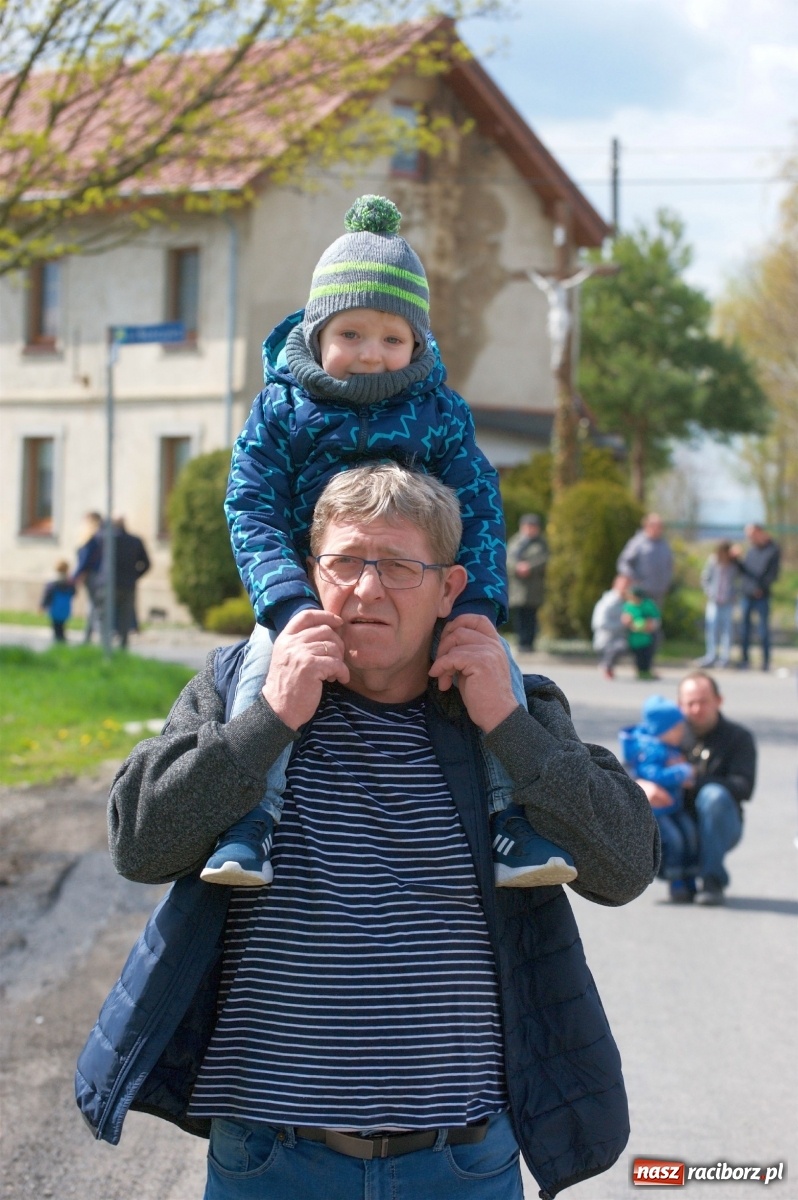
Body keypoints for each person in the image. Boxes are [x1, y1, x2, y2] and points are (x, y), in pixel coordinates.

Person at [76, 464, 660, 1200]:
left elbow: (627, 864)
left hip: (461, 1163)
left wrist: (512, 730)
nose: (366, 589)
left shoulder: (506, 709)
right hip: (270, 1159)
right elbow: (139, 842)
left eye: (399, 567)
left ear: (450, 588)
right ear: (310, 572)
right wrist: (268, 723)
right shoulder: (242, 692)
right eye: (345, 562)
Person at [209, 194, 573, 892]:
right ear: (318, 335)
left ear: (417, 345)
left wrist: (476, 607)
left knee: (493, 667)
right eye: (350, 334)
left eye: (391, 338)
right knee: (264, 670)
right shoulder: (283, 408)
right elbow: (250, 504)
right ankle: (251, 819)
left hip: (416, 594)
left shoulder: (439, 413)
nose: (370, 355)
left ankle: (512, 820)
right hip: (310, 592)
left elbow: (480, 509)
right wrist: (284, 603)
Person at [635, 671, 756, 906]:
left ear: (718, 701)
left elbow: (745, 787)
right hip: (672, 819)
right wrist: (642, 784)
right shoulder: (668, 733)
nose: (697, 709)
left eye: (703, 702)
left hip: (720, 823)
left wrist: (694, 780)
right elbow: (632, 765)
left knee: (713, 796)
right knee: (639, 795)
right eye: (690, 703)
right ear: (680, 705)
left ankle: (712, 881)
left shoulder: (738, 737)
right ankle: (674, 875)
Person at [619, 695, 697, 904]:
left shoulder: (670, 746)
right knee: (674, 840)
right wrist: (681, 772)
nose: (682, 733)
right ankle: (675, 879)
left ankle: (690, 875)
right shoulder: (651, 749)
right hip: (659, 811)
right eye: (678, 729)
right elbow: (653, 775)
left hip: (673, 806)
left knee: (689, 833)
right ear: (665, 730)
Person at [731, 523, 781, 671]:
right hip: (746, 595)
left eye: (751, 534)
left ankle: (765, 662)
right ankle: (745, 660)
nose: (748, 537)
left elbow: (773, 575)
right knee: (744, 629)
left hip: (762, 596)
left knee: (763, 630)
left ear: (759, 532)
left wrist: (761, 588)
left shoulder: (772, 550)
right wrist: (736, 559)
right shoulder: (751, 550)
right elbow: (745, 572)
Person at [505, 514, 548, 653]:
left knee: (531, 615)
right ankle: (521, 642)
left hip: (533, 587)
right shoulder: (516, 542)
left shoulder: (541, 543)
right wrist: (517, 566)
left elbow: (543, 559)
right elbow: (507, 558)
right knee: (519, 616)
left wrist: (529, 566)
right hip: (518, 587)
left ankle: (529, 643)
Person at [616, 513, 674, 610]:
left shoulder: (664, 544)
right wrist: (633, 579)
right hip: (640, 593)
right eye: (657, 526)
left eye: (661, 526)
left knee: (654, 621)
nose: (660, 529)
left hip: (658, 594)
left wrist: (667, 582)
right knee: (639, 621)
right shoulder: (638, 543)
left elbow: (669, 565)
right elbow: (623, 562)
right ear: (648, 526)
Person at [111, 517, 151, 648]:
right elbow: (146, 564)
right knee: (125, 615)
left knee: (110, 613)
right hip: (129, 583)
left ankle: (108, 645)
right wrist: (135, 575)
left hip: (112, 583)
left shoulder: (109, 541)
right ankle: (123, 644)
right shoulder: (135, 541)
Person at [698, 540, 737, 668]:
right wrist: (709, 592)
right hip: (714, 600)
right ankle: (711, 656)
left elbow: (740, 580)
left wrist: (734, 595)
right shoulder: (713, 561)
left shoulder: (734, 564)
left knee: (727, 630)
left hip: (728, 601)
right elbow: (705, 578)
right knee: (712, 629)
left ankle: (725, 658)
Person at [72, 511, 104, 644]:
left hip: (91, 575)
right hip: (98, 575)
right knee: (94, 606)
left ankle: (96, 638)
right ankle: (88, 637)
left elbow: (85, 560)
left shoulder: (91, 538)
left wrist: (74, 576)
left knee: (94, 606)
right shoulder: (102, 537)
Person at [591, 574, 631, 679]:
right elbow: (599, 622)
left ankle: (644, 669)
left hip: (622, 636)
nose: (627, 588)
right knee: (620, 646)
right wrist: (622, 624)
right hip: (607, 637)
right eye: (625, 585)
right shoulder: (608, 602)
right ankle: (607, 665)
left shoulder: (628, 601)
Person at [620, 583, 661, 680]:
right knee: (638, 656)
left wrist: (649, 625)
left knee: (647, 655)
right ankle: (640, 671)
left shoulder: (648, 604)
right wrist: (628, 622)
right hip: (634, 636)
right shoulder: (628, 606)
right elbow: (625, 618)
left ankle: (647, 671)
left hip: (647, 635)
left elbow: (655, 619)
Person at [40, 559, 76, 643]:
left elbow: (47, 596)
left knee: (56, 627)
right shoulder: (70, 583)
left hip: (55, 609)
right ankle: (62, 640)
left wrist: (42, 606)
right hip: (65, 609)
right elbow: (74, 593)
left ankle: (58, 641)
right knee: (62, 626)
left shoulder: (52, 583)